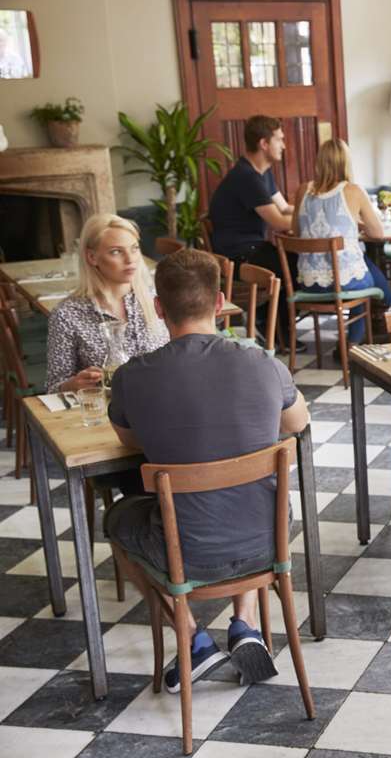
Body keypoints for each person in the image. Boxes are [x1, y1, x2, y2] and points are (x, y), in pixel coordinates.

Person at [105, 248, 311, 692]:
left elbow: (128, 440)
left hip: (187, 552)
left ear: (159, 308)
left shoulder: (131, 377)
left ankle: (193, 639)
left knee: (117, 518)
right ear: (219, 302)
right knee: (249, 496)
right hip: (268, 539)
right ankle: (245, 623)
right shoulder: (263, 363)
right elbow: (298, 423)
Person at [46, 213, 169, 393]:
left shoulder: (157, 299)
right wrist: (73, 385)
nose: (130, 259)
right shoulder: (66, 314)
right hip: (107, 407)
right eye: (116, 252)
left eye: (134, 248)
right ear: (92, 257)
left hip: (162, 399)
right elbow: (53, 387)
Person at [290, 138, 391, 346]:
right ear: (346, 162)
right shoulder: (353, 191)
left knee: (360, 263)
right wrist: (358, 224)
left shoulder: (303, 190)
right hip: (343, 283)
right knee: (360, 273)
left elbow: (296, 231)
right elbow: (377, 233)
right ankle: (351, 345)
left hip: (308, 283)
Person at [208, 115, 295, 333]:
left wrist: (315, 210)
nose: (284, 145)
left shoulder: (262, 174)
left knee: (292, 262)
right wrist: (312, 220)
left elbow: (284, 208)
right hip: (238, 256)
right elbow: (279, 222)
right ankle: (277, 331)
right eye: (279, 139)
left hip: (250, 248)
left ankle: (271, 325)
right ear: (264, 143)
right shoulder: (247, 177)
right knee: (293, 267)